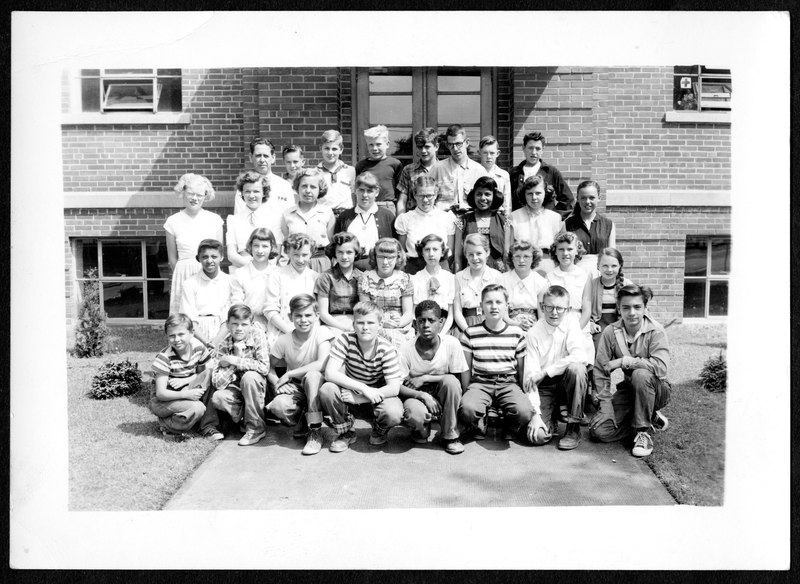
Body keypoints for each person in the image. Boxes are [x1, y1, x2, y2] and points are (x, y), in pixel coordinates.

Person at [589, 285, 671, 458]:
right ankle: (647, 417)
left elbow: (660, 367)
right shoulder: (611, 332)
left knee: (640, 374)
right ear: (619, 309)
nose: (632, 312)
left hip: (657, 389)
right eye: (626, 307)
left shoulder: (655, 330)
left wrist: (624, 361)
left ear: (645, 308)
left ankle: (643, 432)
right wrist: (605, 406)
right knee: (599, 432)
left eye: (637, 307)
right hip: (629, 391)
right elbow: (600, 371)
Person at [318, 301, 404, 452]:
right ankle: (346, 432)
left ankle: (380, 429)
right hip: (352, 388)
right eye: (360, 323)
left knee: (394, 412)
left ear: (380, 324)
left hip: (376, 393)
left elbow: (394, 388)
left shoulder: (387, 349)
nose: (365, 327)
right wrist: (363, 388)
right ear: (353, 324)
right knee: (327, 389)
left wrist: (361, 397)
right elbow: (330, 373)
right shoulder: (345, 339)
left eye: (370, 322)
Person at [459, 284, 533, 441]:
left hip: (508, 382)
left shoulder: (516, 334)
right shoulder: (470, 333)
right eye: (488, 302)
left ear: (507, 306)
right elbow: (466, 368)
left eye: (499, 302)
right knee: (467, 409)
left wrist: (520, 393)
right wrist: (467, 392)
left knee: (524, 411)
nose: (494, 306)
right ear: (481, 306)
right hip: (480, 382)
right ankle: (479, 419)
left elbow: (521, 369)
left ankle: (509, 422)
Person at [266, 294, 335, 456]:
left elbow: (321, 363)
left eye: (308, 315)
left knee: (312, 375)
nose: (303, 320)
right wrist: (278, 383)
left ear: (317, 316)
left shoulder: (322, 332)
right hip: (297, 387)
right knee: (278, 406)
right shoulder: (284, 340)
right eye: (298, 315)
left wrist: (289, 373)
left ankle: (315, 431)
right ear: (291, 317)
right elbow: (268, 367)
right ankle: (303, 419)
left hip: (320, 386)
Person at [523, 285, 590, 450]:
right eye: (549, 307)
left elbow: (580, 356)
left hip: (567, 383)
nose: (554, 312)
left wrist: (546, 371)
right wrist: (536, 415)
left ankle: (573, 427)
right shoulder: (533, 334)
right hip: (544, 386)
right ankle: (550, 416)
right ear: (542, 307)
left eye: (560, 308)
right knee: (537, 437)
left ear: (568, 309)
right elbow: (531, 378)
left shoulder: (572, 323)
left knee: (577, 369)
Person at [398, 301, 469, 454]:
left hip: (442, 391)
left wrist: (424, 378)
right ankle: (421, 427)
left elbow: (456, 378)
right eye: (421, 320)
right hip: (417, 394)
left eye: (431, 320)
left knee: (450, 382)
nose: (426, 325)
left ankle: (450, 435)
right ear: (415, 323)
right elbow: (398, 385)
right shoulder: (405, 349)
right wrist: (423, 395)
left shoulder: (451, 343)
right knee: (415, 417)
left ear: (440, 322)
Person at [203, 304, 271, 446]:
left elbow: (264, 367)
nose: (239, 328)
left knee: (249, 377)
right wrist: (234, 358)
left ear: (251, 325)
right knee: (218, 397)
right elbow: (218, 382)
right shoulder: (224, 343)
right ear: (227, 324)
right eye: (235, 324)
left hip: (258, 388)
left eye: (244, 324)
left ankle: (255, 427)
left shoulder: (258, 336)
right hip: (236, 389)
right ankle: (244, 417)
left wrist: (235, 360)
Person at [164, 173, 223, 315]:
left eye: (199, 195)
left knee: (208, 313)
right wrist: (182, 273)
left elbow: (219, 255)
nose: (194, 198)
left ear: (205, 196)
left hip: (208, 271)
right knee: (184, 317)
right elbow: (172, 259)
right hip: (183, 273)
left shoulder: (214, 220)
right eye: (190, 194)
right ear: (183, 193)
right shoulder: (173, 221)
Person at [149, 314, 213, 438]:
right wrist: (186, 394)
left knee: (210, 376)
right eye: (172, 336)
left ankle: (207, 425)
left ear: (192, 333)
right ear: (167, 336)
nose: (177, 339)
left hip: (185, 388)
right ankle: (167, 424)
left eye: (181, 334)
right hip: (163, 401)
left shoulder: (199, 350)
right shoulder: (164, 358)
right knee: (198, 408)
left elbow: (201, 374)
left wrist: (186, 380)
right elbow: (161, 394)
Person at [263, 233, 319, 347]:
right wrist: (291, 332)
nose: (300, 259)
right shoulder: (277, 275)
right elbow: (270, 310)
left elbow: (318, 312)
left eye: (304, 255)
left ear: (311, 254)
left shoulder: (316, 277)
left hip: (310, 333)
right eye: (296, 255)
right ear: (288, 252)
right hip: (282, 331)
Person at [334, 171, 397, 271]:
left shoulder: (387, 216)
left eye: (369, 191)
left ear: (377, 192)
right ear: (355, 190)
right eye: (361, 190)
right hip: (350, 268)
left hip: (378, 268)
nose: (365, 195)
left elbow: (394, 246)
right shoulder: (345, 217)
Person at [358, 237, 414, 348]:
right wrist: (382, 323)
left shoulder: (404, 279)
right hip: (373, 326)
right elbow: (366, 311)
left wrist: (396, 323)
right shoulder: (365, 279)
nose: (385, 262)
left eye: (390, 258)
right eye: (381, 257)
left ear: (397, 258)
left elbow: (408, 314)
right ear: (375, 257)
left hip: (399, 328)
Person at [546, 232, 594, 360]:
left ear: (577, 251)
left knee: (580, 362)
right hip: (556, 322)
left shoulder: (584, 276)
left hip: (579, 324)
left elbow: (587, 309)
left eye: (570, 249)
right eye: (561, 249)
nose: (565, 253)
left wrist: (575, 331)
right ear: (555, 252)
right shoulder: (550, 277)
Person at [395, 175, 456, 275]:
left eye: (429, 195)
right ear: (415, 195)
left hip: (440, 268)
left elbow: (450, 250)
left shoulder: (447, 217)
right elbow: (401, 251)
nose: (425, 200)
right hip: (414, 268)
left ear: (435, 195)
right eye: (421, 195)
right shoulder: (405, 219)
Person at [179, 239, 233, 347]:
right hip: (197, 333)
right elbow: (189, 319)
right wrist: (207, 343)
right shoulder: (190, 283)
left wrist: (216, 342)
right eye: (205, 257)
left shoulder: (230, 281)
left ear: (221, 257)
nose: (209, 261)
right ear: (198, 258)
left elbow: (228, 317)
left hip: (224, 331)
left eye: (214, 256)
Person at [226, 171, 281, 276]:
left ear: (264, 192)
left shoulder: (275, 218)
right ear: (241, 193)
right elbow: (231, 255)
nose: (251, 196)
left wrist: (262, 270)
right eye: (247, 191)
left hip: (268, 272)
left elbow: (276, 252)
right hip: (241, 271)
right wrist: (252, 268)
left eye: (256, 191)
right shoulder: (233, 220)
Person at [281, 168, 335, 273]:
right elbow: (286, 242)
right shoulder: (288, 214)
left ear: (320, 189)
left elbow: (330, 243)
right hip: (296, 263)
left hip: (320, 263)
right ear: (297, 188)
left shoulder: (327, 213)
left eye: (313, 187)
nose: (308, 191)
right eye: (304, 186)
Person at [509, 131, 574, 217]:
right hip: (521, 223)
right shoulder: (514, 173)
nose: (534, 152)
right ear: (523, 148)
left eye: (538, 149)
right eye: (530, 148)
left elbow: (568, 200)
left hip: (544, 225)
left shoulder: (551, 172)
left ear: (542, 150)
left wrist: (554, 217)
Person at [453, 176, 511, 273]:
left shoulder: (504, 221)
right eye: (479, 194)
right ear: (473, 196)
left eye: (487, 194)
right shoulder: (462, 221)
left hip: (497, 270)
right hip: (471, 270)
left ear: (494, 196)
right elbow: (458, 256)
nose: (483, 198)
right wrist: (457, 279)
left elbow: (506, 254)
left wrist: (507, 278)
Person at [452, 233, 503, 341]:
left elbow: (501, 307)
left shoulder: (497, 276)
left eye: (479, 253)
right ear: (465, 255)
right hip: (465, 325)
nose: (475, 258)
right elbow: (457, 311)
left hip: (491, 324)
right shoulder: (459, 277)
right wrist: (468, 331)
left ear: (487, 252)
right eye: (470, 254)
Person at [509, 175, 562, 275]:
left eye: (538, 193)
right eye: (529, 194)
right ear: (524, 195)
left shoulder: (555, 217)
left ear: (545, 193)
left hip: (548, 266)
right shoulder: (513, 217)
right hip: (522, 265)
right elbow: (508, 249)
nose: (534, 198)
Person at [562, 180, 616, 274]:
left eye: (592, 198)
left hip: (601, 274)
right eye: (583, 198)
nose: (587, 202)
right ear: (577, 199)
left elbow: (612, 256)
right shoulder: (567, 224)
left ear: (599, 198)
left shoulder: (608, 225)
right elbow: (563, 252)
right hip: (575, 273)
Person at [315, 232, 363, 335]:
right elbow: (323, 313)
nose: (344, 256)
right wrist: (343, 327)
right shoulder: (326, 277)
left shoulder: (362, 277)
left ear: (356, 254)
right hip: (332, 323)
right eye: (340, 252)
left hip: (357, 321)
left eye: (349, 252)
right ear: (335, 253)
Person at [230, 228, 279, 331]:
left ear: (272, 248)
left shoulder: (278, 273)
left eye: (265, 246)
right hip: (248, 324)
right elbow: (237, 304)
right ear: (250, 247)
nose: (260, 250)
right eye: (256, 245)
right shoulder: (240, 273)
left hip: (274, 323)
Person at [434, 124, 489, 212]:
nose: (455, 149)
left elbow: (486, 200)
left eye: (458, 144)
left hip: (470, 219)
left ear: (467, 142)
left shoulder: (479, 171)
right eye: (451, 145)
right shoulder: (437, 168)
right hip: (443, 219)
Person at [234, 137, 295, 215]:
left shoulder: (284, 186)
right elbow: (240, 218)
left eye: (266, 156)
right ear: (251, 157)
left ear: (273, 158)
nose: (262, 160)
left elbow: (291, 217)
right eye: (258, 156)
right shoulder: (244, 187)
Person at [588, 247, 633, 350]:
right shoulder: (592, 285)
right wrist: (590, 323)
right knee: (600, 345)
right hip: (600, 324)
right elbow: (585, 308)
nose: (609, 270)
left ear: (620, 266)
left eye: (613, 266)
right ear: (598, 266)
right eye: (605, 266)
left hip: (621, 323)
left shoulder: (627, 284)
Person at [411, 234, 455, 334]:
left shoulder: (450, 278)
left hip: (443, 326)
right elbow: (413, 312)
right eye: (427, 250)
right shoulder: (416, 278)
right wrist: (419, 332)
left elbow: (451, 315)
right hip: (421, 326)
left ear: (442, 252)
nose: (431, 254)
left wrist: (442, 334)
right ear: (422, 253)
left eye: (435, 249)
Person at [355, 124, 403, 215]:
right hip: (366, 206)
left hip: (387, 206)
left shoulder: (395, 164)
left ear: (387, 144)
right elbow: (357, 189)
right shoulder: (361, 165)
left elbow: (400, 191)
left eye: (378, 144)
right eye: (371, 145)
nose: (375, 148)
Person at [501, 240, 548, 332]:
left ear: (533, 258)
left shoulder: (541, 282)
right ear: (511, 258)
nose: (521, 260)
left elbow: (542, 317)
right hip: (508, 326)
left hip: (533, 327)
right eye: (517, 256)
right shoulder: (502, 280)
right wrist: (517, 324)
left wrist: (534, 327)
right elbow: (503, 315)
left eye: (526, 256)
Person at [396, 127, 441, 215]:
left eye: (427, 147)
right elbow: (402, 201)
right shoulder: (408, 170)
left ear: (436, 146)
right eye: (420, 147)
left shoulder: (444, 169)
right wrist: (401, 223)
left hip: (438, 221)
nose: (423, 151)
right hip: (414, 221)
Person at [316, 129, 356, 216]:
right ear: (320, 148)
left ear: (341, 149)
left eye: (334, 149)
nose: (330, 153)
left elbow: (354, 195)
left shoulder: (350, 171)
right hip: (323, 215)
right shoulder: (315, 172)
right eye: (326, 148)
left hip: (345, 215)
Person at [478, 135, 512, 216]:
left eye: (492, 153)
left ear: (498, 153)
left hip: (498, 216)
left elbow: (507, 203)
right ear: (479, 153)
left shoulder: (503, 175)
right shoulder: (474, 172)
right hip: (478, 215)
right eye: (485, 153)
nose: (489, 157)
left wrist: (506, 220)